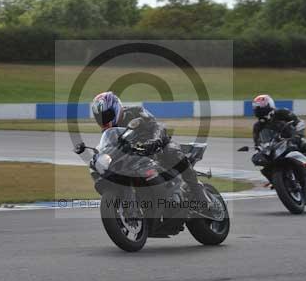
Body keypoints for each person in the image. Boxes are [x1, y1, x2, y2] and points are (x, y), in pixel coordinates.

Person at [91, 91, 222, 219]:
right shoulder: (109, 132)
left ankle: (200, 194)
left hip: (157, 144)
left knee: (172, 152)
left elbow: (155, 125)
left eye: (107, 114)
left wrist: (155, 140)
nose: (105, 119)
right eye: (101, 117)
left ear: (116, 107)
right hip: (135, 156)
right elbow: (108, 147)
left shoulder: (135, 111)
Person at [251, 94, 306, 185]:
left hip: (292, 140)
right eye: (256, 107)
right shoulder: (257, 126)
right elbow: (257, 143)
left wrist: (297, 135)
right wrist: (258, 151)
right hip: (275, 147)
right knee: (263, 165)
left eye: (261, 106)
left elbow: (299, 122)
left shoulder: (282, 113)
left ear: (269, 104)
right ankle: (275, 181)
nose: (259, 108)